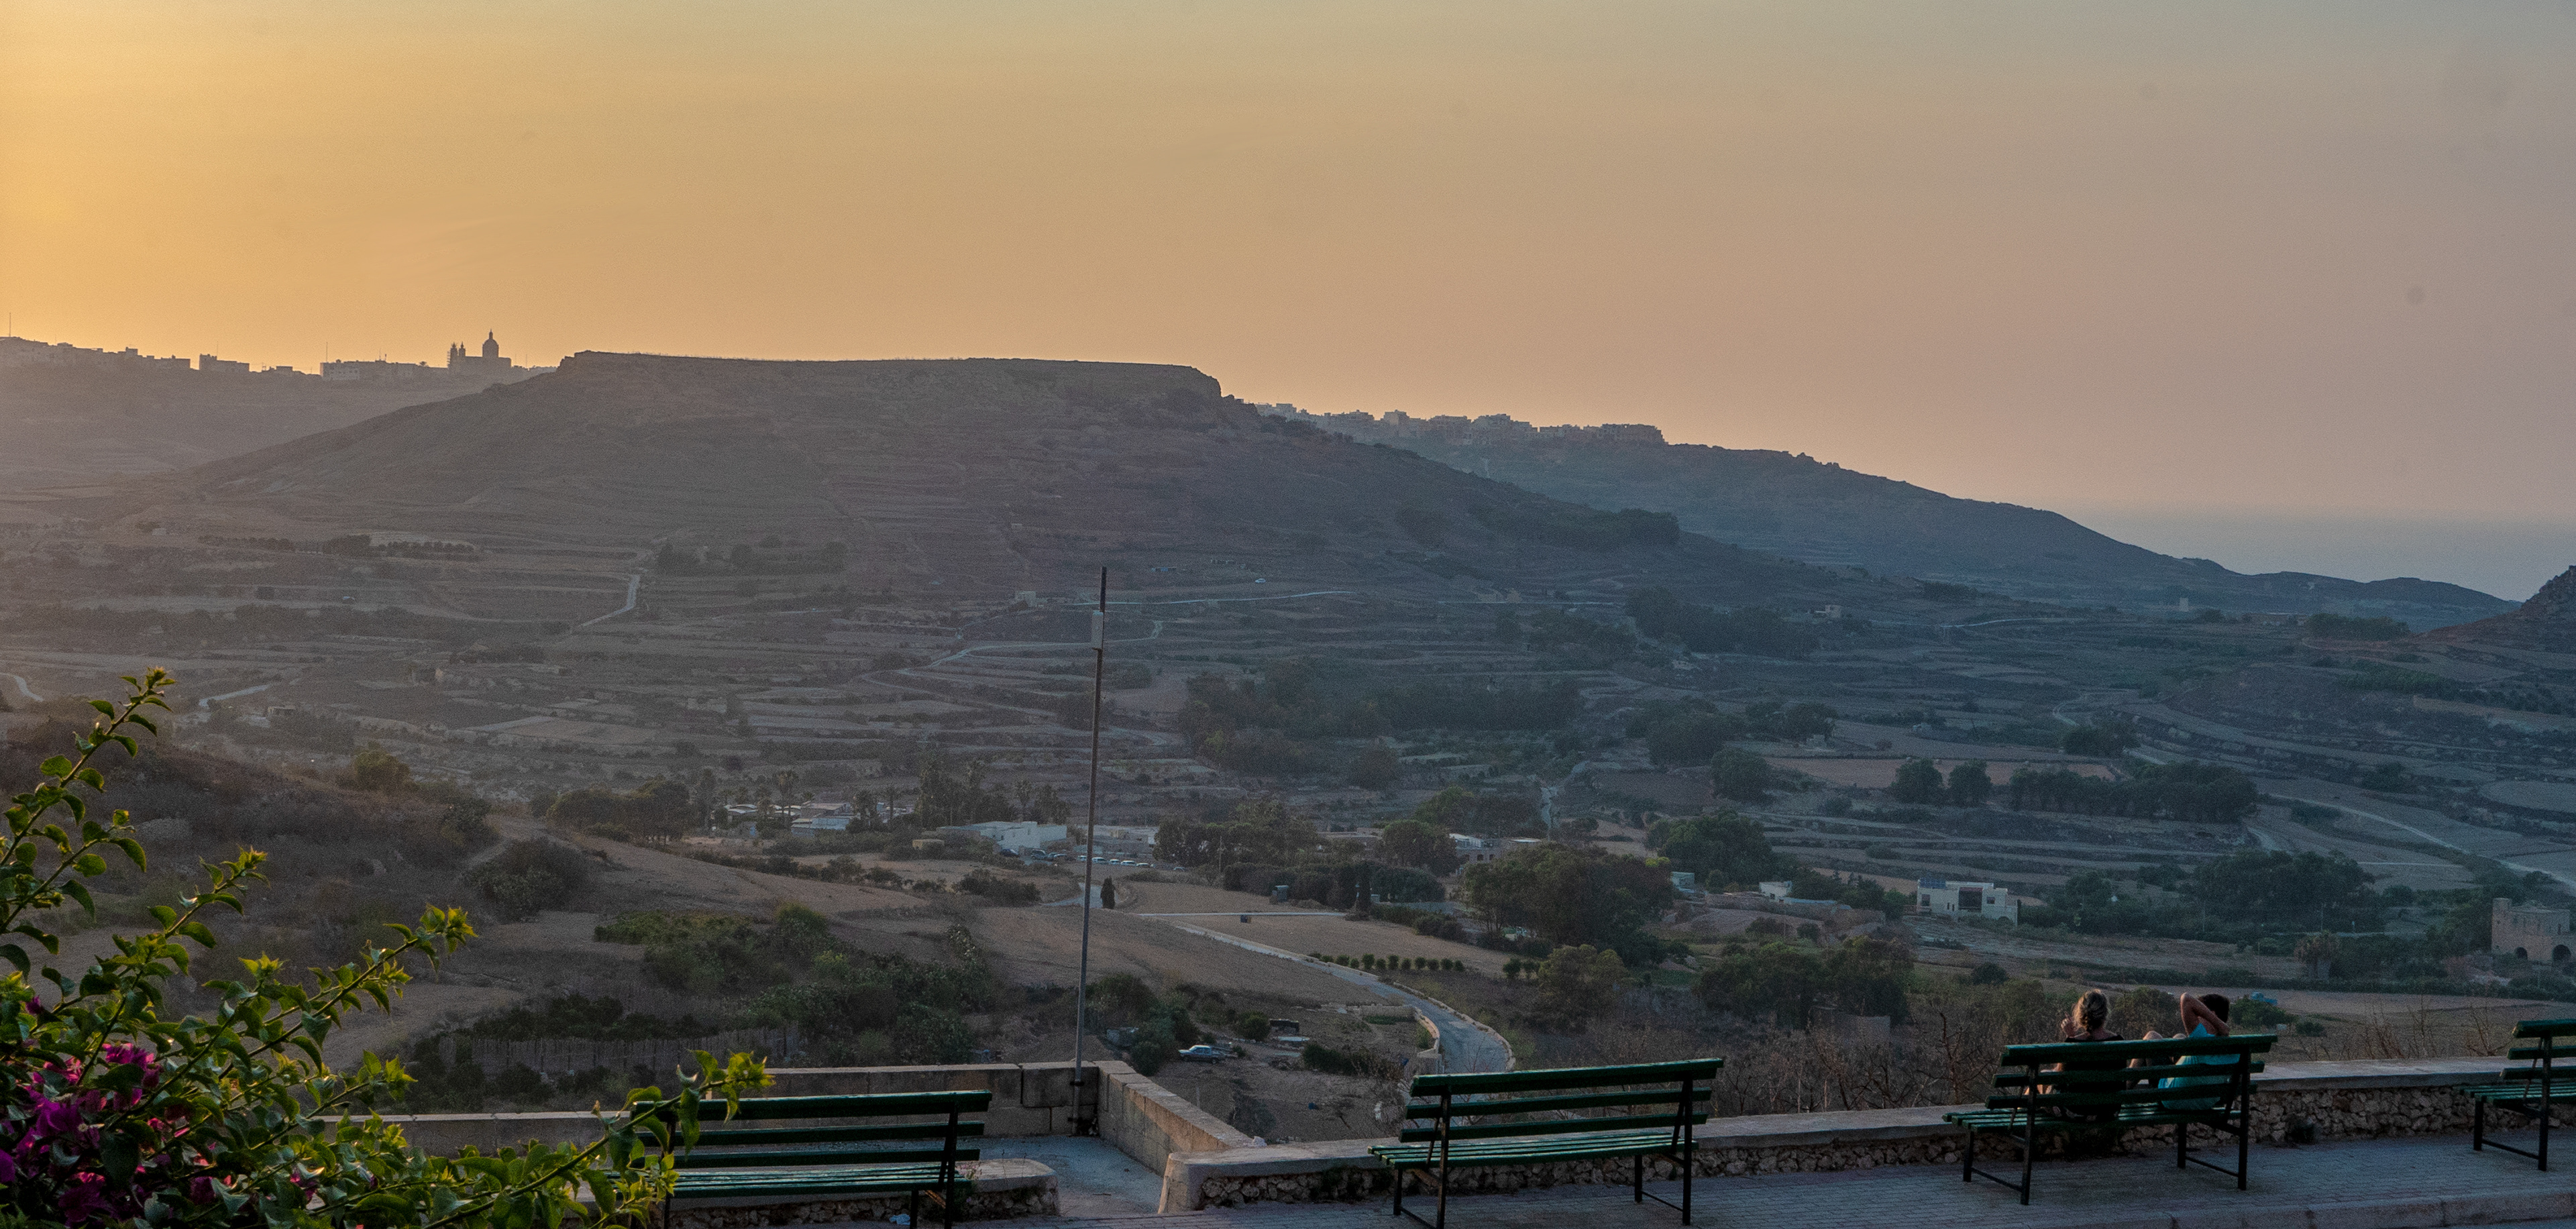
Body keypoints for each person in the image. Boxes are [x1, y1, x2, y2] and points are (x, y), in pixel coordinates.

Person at [2137, 991, 2235, 1111]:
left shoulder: (2201, 1039)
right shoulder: (2236, 1048)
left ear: (2212, 1015)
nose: (2198, 1017)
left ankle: (2124, 1092)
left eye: (2200, 1013)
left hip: (2171, 1100)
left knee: (2151, 1037)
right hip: (2206, 1104)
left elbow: (2186, 999)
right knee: (2180, 1037)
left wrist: (2219, 1024)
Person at [2043, 989, 2128, 1122]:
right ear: (2105, 1014)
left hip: (2077, 1112)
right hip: (2109, 1112)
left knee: (2043, 1077)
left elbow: (2060, 1078)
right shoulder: (2119, 1042)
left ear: (2080, 1015)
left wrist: (2070, 1037)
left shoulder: (2073, 1043)